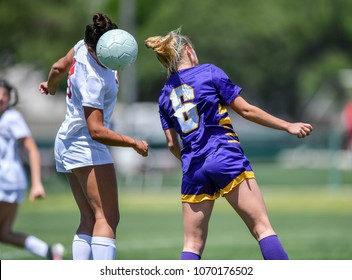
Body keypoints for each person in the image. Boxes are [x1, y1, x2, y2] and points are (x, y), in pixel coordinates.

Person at [145, 28, 313, 260]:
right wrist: (287, 125)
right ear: (187, 50)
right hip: (224, 155)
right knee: (262, 228)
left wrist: (188, 159)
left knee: (192, 244)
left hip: (193, 168)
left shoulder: (164, 94)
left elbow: (172, 143)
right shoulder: (209, 72)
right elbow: (245, 110)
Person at [38, 13, 149, 260]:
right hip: (85, 145)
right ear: (93, 48)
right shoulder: (94, 81)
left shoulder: (81, 46)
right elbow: (96, 131)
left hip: (68, 141)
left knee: (89, 218)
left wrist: (51, 84)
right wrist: (132, 142)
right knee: (107, 218)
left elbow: (58, 67)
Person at [0, 79, 64, 260]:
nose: (1, 99)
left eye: (5, 95)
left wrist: (36, 183)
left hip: (7, 182)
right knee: (4, 234)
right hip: (8, 183)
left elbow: (32, 150)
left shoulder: (11, 118)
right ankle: (50, 253)